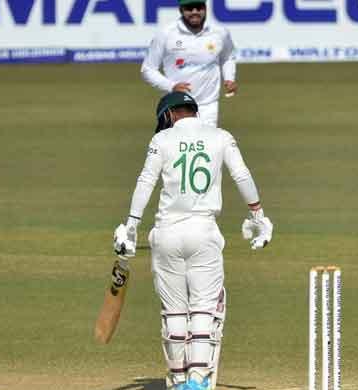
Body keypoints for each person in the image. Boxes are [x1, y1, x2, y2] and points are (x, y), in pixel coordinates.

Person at [113, 91, 273, 390]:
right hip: (204, 233)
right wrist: (258, 216)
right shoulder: (221, 136)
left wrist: (130, 226)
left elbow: (145, 181)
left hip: (167, 234)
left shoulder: (161, 141)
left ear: (169, 115)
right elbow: (241, 174)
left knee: (174, 311)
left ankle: (177, 379)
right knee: (203, 307)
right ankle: (198, 379)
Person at [141, 0, 237, 127]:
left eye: (199, 7)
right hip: (177, 105)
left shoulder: (219, 32)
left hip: (208, 105)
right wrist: (171, 86)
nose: (195, 12)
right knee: (176, 146)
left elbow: (228, 57)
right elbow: (148, 69)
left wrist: (229, 77)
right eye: (189, 8)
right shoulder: (166, 33)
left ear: (205, 8)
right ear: (181, 10)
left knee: (207, 145)